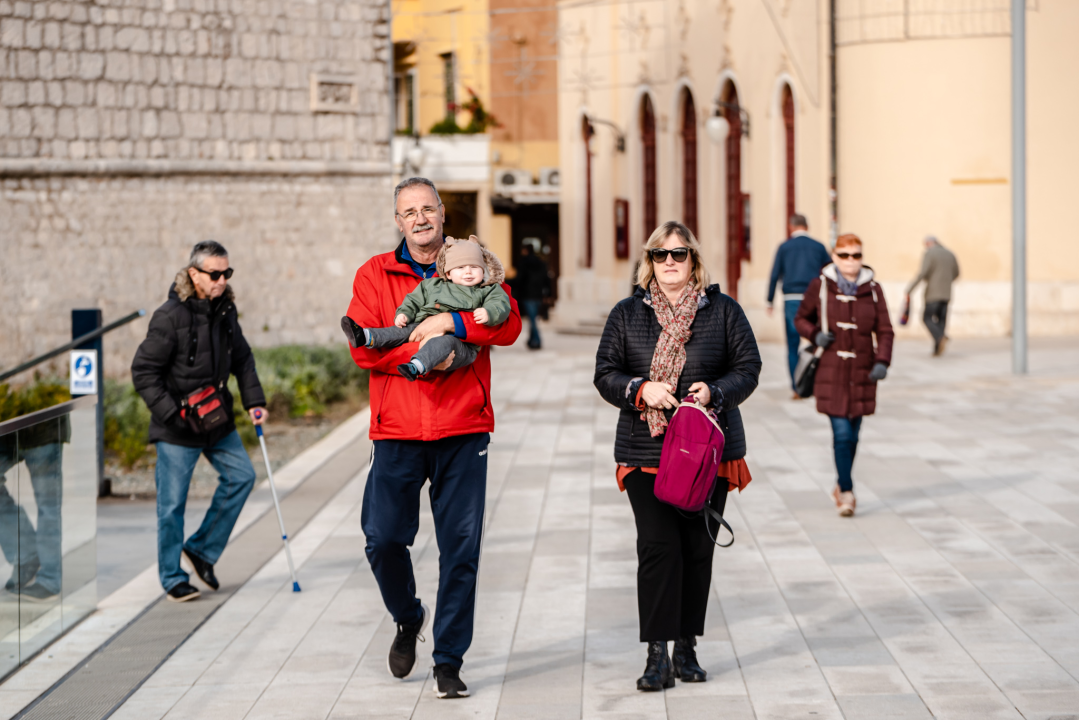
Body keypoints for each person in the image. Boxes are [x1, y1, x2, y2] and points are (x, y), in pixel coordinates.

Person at [345, 177, 521, 699]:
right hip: (397, 428)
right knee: (382, 538)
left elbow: (508, 325)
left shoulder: (473, 263)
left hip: (463, 427)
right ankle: (408, 616)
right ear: (398, 221)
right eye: (409, 212)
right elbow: (363, 348)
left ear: (443, 213)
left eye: (428, 208)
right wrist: (426, 354)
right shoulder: (375, 273)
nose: (420, 218)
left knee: (461, 550)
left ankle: (449, 660)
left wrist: (453, 324)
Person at [594, 221, 761, 692]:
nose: (670, 262)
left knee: (696, 550)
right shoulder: (627, 314)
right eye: (660, 254)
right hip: (646, 450)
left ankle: (686, 647)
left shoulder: (723, 310)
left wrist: (715, 392)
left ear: (694, 260)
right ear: (648, 261)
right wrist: (639, 389)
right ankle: (656, 655)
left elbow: (748, 367)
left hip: (706, 451)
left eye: (679, 253)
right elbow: (605, 373)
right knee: (657, 548)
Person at [131, 240, 267, 603]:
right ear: (194, 274)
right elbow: (143, 371)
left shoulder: (226, 311)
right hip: (176, 427)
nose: (222, 280)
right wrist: (172, 414)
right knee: (172, 506)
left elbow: (243, 358)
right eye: (214, 274)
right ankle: (172, 577)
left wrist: (254, 401)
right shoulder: (169, 316)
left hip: (216, 420)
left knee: (242, 477)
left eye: (227, 273)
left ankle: (202, 551)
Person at [795, 234, 894, 517]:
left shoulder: (873, 289)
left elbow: (885, 329)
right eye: (845, 255)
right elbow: (800, 318)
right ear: (834, 256)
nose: (851, 261)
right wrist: (815, 334)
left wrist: (883, 361)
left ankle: (840, 485)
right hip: (831, 370)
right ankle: (848, 491)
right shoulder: (820, 285)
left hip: (863, 370)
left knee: (854, 435)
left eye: (856, 255)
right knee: (841, 433)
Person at [341, 235, 510, 381]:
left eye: (474, 267)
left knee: (444, 342)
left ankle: (417, 366)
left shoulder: (487, 289)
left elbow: (501, 304)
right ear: (448, 273)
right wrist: (404, 313)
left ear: (483, 271)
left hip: (461, 345)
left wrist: (489, 312)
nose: (468, 272)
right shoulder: (434, 285)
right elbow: (413, 299)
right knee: (403, 330)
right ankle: (366, 336)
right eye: (460, 267)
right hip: (422, 324)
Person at [0, 420, 66, 602]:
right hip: (6, 429)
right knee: (48, 505)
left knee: (48, 505)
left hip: (43, 429)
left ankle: (50, 580)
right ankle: (27, 555)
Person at [767, 214, 831, 397]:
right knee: (819, 340)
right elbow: (830, 271)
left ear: (791, 227)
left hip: (791, 299)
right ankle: (818, 383)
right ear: (807, 226)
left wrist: (769, 300)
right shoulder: (819, 247)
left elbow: (774, 275)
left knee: (792, 344)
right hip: (815, 299)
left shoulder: (784, 247)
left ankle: (797, 388)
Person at [905, 235, 960, 356]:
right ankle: (937, 349)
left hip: (933, 293)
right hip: (946, 293)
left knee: (927, 318)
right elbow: (956, 273)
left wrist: (910, 289)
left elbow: (923, 272)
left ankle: (941, 336)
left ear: (929, 243)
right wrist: (945, 281)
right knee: (941, 321)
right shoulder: (950, 254)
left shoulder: (930, 253)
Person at [514, 244, 551, 349]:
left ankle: (537, 340)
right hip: (538, 294)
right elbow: (546, 278)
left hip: (528, 294)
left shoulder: (523, 263)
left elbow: (520, 279)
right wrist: (548, 294)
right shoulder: (541, 262)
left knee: (532, 319)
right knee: (533, 318)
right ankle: (531, 340)